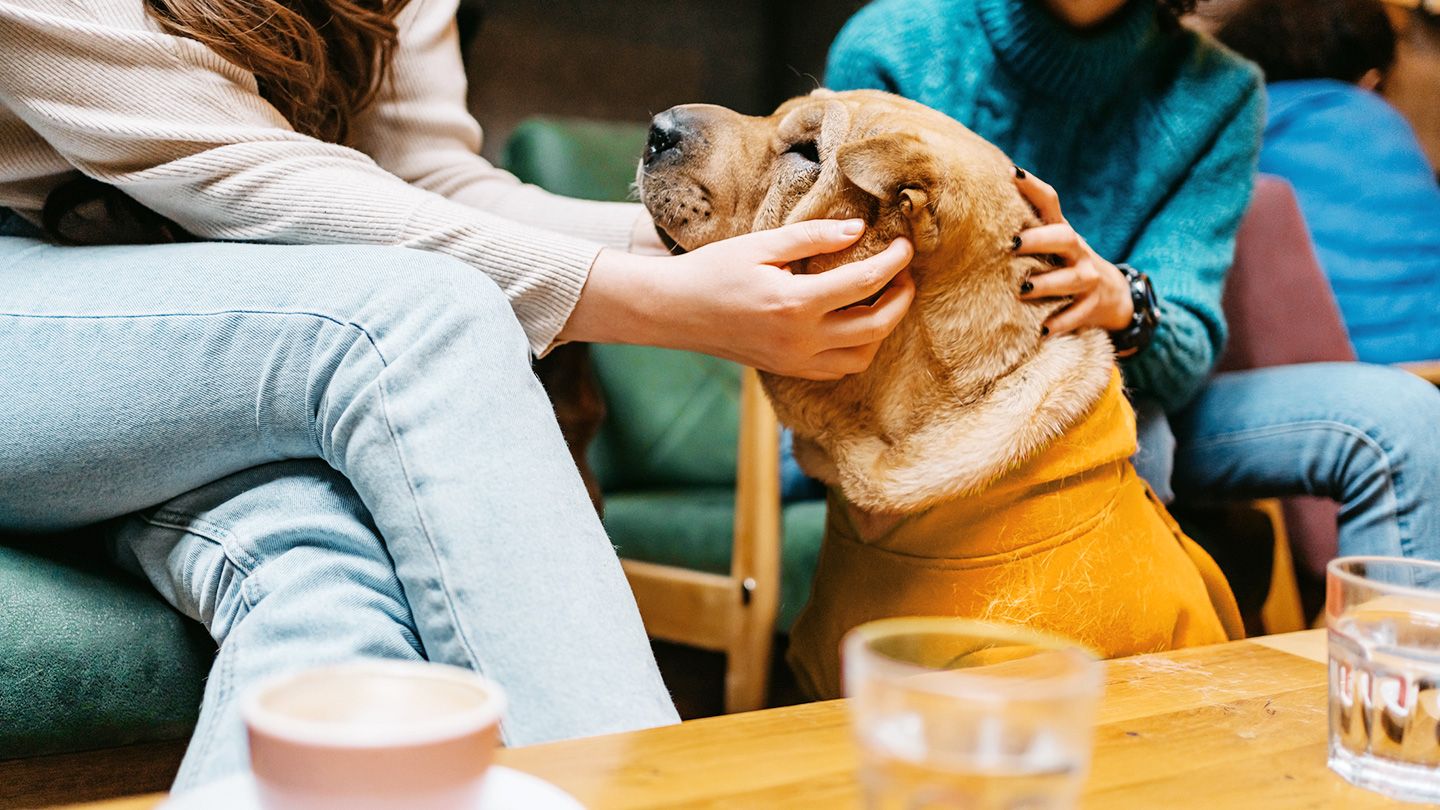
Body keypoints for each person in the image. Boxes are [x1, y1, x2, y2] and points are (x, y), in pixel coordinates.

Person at [0, 0, 916, 792]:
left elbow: (429, 179)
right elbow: (235, 172)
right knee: (419, 316)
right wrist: (661, 301)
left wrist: (715, 250)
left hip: (214, 338)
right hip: (40, 303)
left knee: (329, 572)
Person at [809, 0, 1440, 570]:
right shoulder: (895, 45)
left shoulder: (1218, 92)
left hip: (1146, 388)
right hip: (941, 394)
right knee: (1129, 434)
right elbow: (841, 292)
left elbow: (1186, 342)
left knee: (1404, 418)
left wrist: (1124, 302)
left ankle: (1391, 694)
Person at [1214, 0, 1440, 365]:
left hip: (1333, 370)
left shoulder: (1234, 123)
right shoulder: (1388, 125)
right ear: (1371, 80)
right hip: (1430, 361)